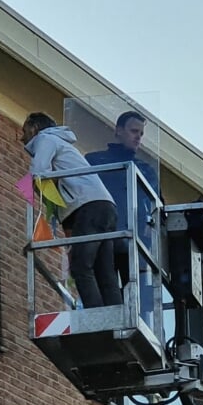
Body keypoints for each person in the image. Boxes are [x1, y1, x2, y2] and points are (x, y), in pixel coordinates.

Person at [22, 112, 121, 309]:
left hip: (88, 207)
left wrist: (31, 189)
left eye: (24, 131)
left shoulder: (46, 138)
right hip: (105, 207)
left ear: (34, 128)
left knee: (80, 266)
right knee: (104, 271)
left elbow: (38, 174)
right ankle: (115, 316)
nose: (22, 138)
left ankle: (97, 319)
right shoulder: (65, 147)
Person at [86, 111, 161, 318]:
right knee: (104, 285)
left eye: (141, 133)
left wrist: (150, 228)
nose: (138, 137)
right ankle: (104, 319)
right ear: (118, 131)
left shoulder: (146, 170)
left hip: (134, 241)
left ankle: (138, 321)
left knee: (135, 292)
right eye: (134, 131)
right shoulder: (94, 161)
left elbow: (158, 208)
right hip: (103, 236)